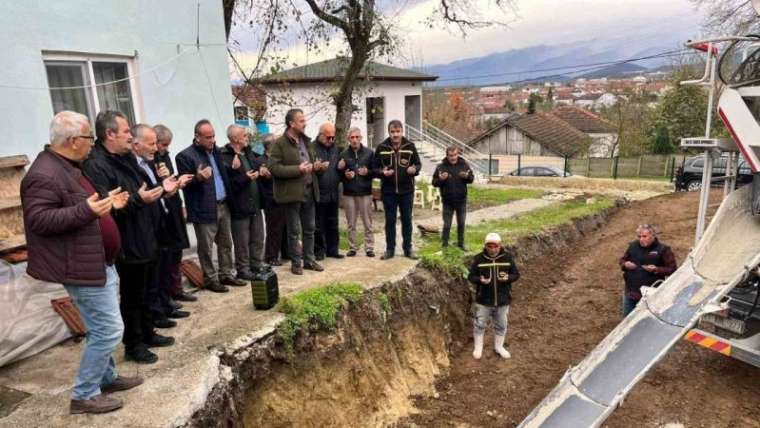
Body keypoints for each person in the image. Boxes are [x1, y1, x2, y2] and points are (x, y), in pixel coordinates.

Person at [21, 111, 140, 414]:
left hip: (98, 260)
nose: (93, 143)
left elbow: (82, 207)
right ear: (74, 141)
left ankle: (107, 377)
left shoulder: (69, 166)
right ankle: (84, 393)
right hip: (80, 265)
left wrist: (107, 204)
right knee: (110, 330)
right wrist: (87, 211)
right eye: (89, 137)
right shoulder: (43, 174)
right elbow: (39, 220)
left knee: (99, 326)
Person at [83, 112, 175, 364]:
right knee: (132, 294)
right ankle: (134, 344)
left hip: (145, 233)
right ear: (109, 134)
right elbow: (108, 205)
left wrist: (160, 187)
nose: (129, 135)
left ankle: (147, 332)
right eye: (125, 131)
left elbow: (143, 186)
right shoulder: (96, 165)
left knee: (146, 290)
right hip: (126, 239)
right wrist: (138, 199)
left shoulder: (125, 159)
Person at [176, 120, 247, 292]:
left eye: (213, 136)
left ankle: (226, 274)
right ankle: (211, 279)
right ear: (197, 137)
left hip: (223, 204)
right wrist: (198, 177)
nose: (212, 140)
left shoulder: (216, 151)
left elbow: (221, 175)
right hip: (203, 207)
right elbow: (183, 184)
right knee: (206, 247)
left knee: (225, 243)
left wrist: (232, 168)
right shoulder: (185, 156)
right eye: (208, 137)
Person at [131, 124, 191, 328]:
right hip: (147, 229)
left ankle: (165, 305)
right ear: (136, 144)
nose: (156, 148)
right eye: (153, 144)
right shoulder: (134, 165)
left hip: (165, 219)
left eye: (158, 144)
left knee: (166, 265)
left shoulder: (155, 161)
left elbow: (161, 190)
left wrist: (168, 180)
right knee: (153, 275)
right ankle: (156, 314)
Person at [269, 109, 325, 275]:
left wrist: (317, 166)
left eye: (304, 120)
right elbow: (273, 168)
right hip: (291, 194)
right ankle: (296, 263)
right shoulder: (279, 144)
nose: (304, 123)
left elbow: (311, 162)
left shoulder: (305, 141)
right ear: (291, 123)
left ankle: (309, 260)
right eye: (301, 120)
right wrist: (297, 169)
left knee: (310, 228)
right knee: (294, 230)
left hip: (309, 190)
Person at [154, 124, 197, 303]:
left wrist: (178, 182)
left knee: (177, 252)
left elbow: (169, 181)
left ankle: (176, 289)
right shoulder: (149, 160)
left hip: (173, 207)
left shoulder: (165, 157)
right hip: (160, 214)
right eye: (163, 145)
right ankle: (167, 295)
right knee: (165, 257)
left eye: (167, 145)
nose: (166, 148)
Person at [220, 124, 268, 280]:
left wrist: (261, 168)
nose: (247, 138)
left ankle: (257, 264)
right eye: (244, 136)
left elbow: (257, 163)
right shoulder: (224, 156)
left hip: (255, 203)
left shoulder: (248, 152)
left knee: (258, 236)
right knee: (242, 240)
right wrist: (243, 176)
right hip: (239, 205)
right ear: (235, 138)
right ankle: (243, 269)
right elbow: (229, 185)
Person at [371, 120, 422, 260]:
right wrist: (382, 172)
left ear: (402, 132)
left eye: (398, 131)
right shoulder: (381, 147)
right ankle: (390, 249)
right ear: (389, 132)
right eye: (393, 132)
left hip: (406, 191)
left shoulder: (410, 146)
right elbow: (374, 169)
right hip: (388, 192)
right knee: (390, 221)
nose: (395, 134)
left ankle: (408, 249)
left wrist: (414, 169)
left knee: (407, 220)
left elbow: (418, 164)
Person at [467, 233, 520, 360]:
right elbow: (471, 276)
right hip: (483, 300)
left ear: (499, 245)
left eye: (495, 246)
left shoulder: (507, 258)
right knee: (480, 324)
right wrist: (480, 280)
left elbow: (516, 274)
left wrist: (508, 278)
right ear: (485, 246)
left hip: (503, 300)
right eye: (489, 246)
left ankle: (499, 347)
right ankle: (478, 348)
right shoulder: (478, 259)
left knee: (501, 325)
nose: (492, 249)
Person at [619, 224, 677, 316]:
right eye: (639, 236)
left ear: (653, 235)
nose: (641, 239)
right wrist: (625, 264)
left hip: (651, 294)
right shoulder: (633, 246)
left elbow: (672, 269)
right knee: (627, 319)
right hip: (631, 291)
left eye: (644, 236)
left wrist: (656, 269)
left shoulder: (663, 249)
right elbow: (622, 260)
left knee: (646, 320)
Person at [337, 127, 375, 257]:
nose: (354, 140)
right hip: (349, 193)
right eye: (352, 137)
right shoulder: (343, 154)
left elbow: (376, 171)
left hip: (365, 192)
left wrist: (367, 172)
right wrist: (344, 174)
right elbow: (339, 175)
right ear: (348, 139)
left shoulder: (369, 153)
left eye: (357, 137)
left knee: (368, 222)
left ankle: (369, 247)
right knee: (351, 223)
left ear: (361, 138)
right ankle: (352, 247)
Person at [432, 146, 474, 250]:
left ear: (457, 154)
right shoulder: (441, 167)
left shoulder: (464, 165)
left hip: (461, 200)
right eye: (451, 155)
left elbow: (471, 179)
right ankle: (445, 244)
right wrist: (441, 179)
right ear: (447, 155)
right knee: (447, 224)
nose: (453, 157)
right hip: (447, 201)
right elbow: (434, 182)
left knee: (461, 223)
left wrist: (467, 177)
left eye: (455, 155)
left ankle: (461, 244)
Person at [312, 122, 344, 260]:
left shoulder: (335, 149)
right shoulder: (311, 149)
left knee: (333, 222)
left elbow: (338, 169)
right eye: (328, 137)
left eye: (333, 137)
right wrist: (316, 168)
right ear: (320, 135)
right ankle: (319, 250)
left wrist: (343, 170)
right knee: (318, 224)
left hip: (333, 192)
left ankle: (333, 250)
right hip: (318, 192)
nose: (331, 140)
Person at [258, 133, 288, 266]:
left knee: (285, 227)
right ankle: (271, 256)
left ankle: (286, 252)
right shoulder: (260, 161)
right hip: (271, 199)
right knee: (273, 229)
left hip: (284, 197)